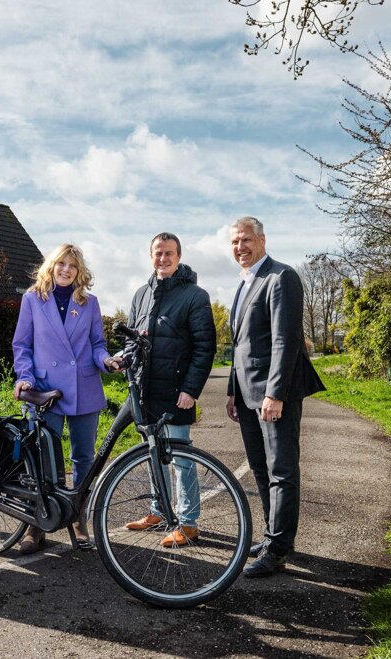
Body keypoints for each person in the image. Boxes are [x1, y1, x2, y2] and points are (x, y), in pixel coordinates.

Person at [225, 216, 326, 577]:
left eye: (246, 240)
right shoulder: (244, 284)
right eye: (235, 242)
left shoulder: (281, 278)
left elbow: (286, 340)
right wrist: (232, 392)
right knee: (259, 469)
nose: (240, 247)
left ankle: (279, 549)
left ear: (262, 239)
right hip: (247, 395)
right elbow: (242, 346)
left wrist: (276, 393)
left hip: (272, 395)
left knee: (281, 471)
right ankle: (273, 537)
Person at [11, 244, 115, 554]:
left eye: (72, 265)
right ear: (51, 266)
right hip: (45, 388)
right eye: (61, 264)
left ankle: (78, 518)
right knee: (43, 459)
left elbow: (97, 344)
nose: (66, 269)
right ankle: (36, 523)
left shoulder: (89, 302)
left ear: (79, 271)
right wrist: (25, 376)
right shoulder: (32, 299)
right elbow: (22, 345)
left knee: (84, 457)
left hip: (84, 387)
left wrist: (106, 360)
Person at [119, 232, 216, 548]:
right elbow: (131, 339)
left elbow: (205, 346)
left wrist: (191, 389)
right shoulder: (141, 294)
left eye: (169, 253)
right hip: (146, 392)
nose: (163, 258)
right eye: (158, 253)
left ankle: (188, 523)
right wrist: (126, 361)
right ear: (151, 256)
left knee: (181, 459)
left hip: (177, 392)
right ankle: (158, 511)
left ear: (179, 256)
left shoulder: (194, 295)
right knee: (153, 456)